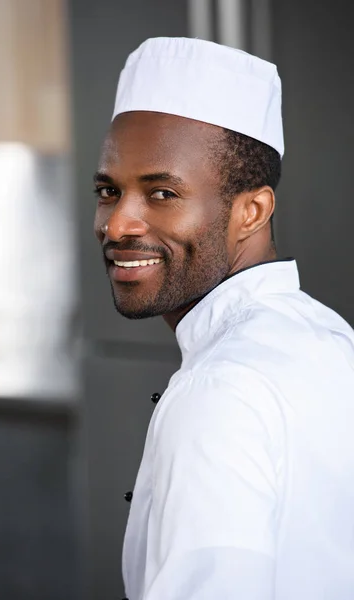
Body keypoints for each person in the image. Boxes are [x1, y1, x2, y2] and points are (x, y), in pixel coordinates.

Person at [93, 37, 354, 600]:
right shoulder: (331, 340)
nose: (117, 225)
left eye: (162, 192)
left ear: (252, 212)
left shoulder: (220, 390)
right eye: (108, 191)